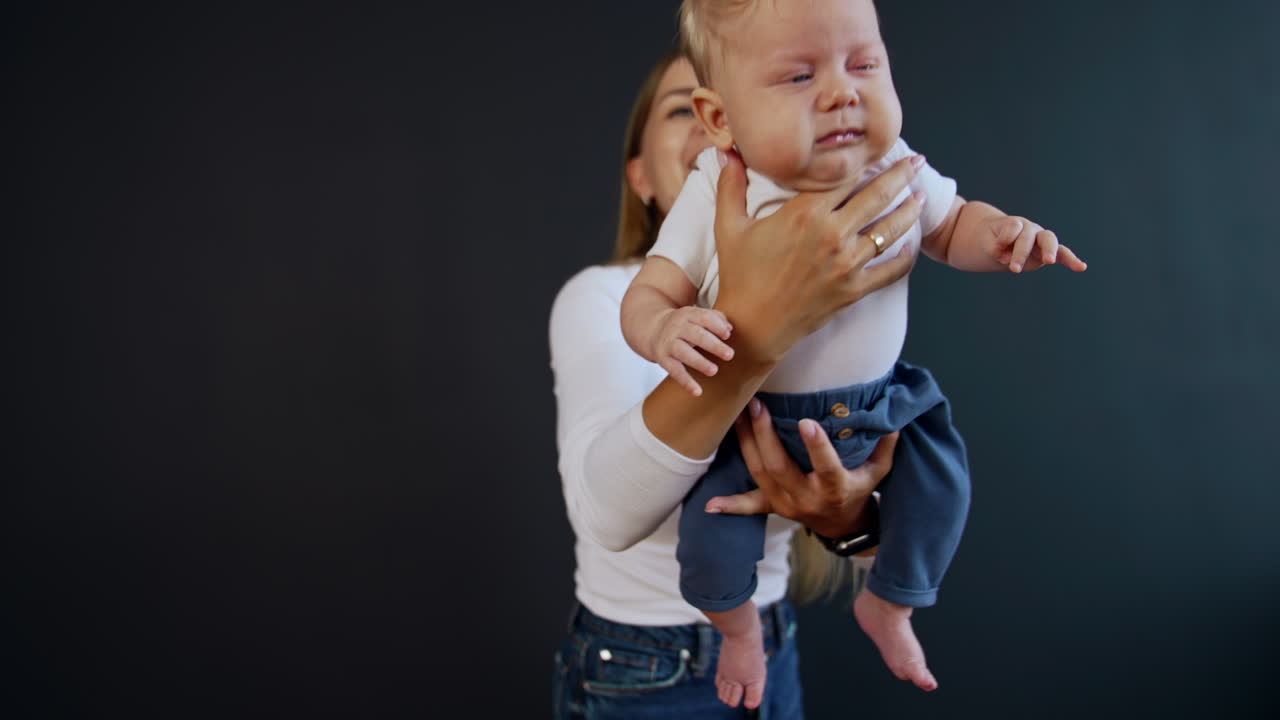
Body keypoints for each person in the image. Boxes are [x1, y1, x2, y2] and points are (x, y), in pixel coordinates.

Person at [619, 0, 1088, 706]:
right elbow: (650, 290)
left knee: (942, 493)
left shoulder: (891, 164)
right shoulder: (723, 183)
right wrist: (663, 330)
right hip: (748, 419)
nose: (844, 92)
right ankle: (740, 630)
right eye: (800, 76)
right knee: (710, 545)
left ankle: (890, 604)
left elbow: (951, 223)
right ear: (722, 120)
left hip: (882, 407)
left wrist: (1000, 235)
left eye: (864, 64)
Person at [550, 46, 929, 719]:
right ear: (640, 176)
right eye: (685, 108)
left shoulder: (835, 297)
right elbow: (605, 515)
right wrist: (763, 324)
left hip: (771, 642)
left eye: (751, 97)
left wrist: (845, 519)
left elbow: (887, 532)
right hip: (640, 667)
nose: (717, 125)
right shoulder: (604, 299)